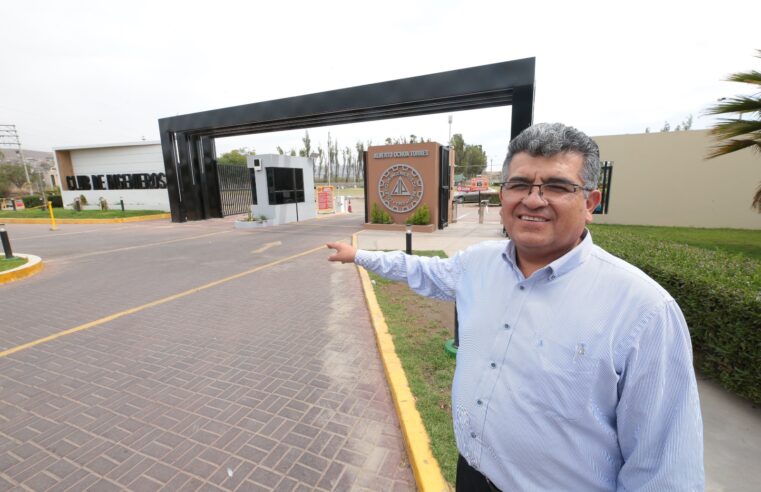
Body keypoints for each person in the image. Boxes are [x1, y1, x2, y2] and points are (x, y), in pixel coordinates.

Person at [327, 123, 704, 491]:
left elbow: (664, 472)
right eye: (519, 184)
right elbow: (422, 271)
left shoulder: (644, 312)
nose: (533, 199)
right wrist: (360, 255)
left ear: (590, 203)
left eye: (557, 186)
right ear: (503, 195)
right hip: (471, 474)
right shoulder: (477, 265)